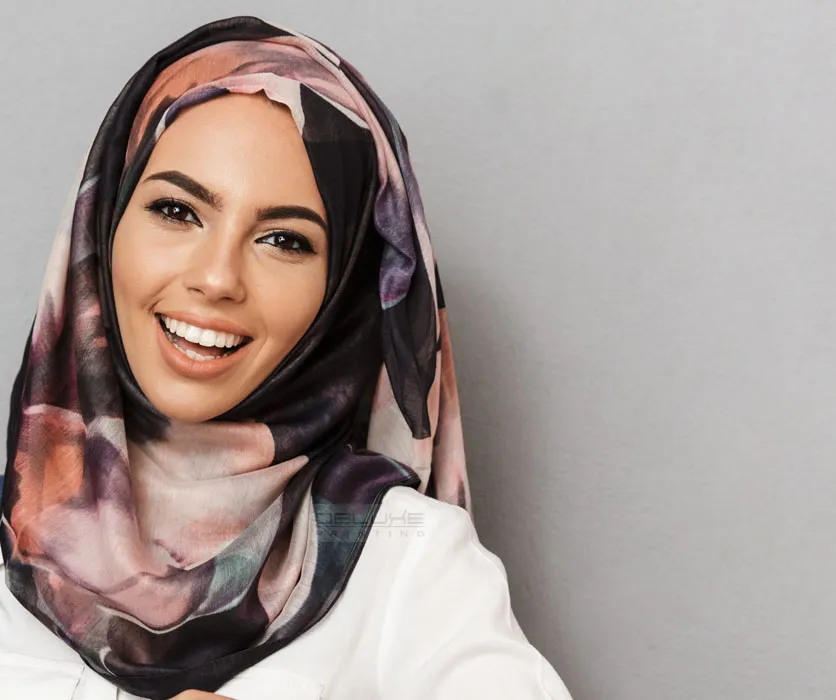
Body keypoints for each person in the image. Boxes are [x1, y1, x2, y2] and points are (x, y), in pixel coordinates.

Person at [0, 15, 574, 700]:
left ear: (345, 291)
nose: (217, 278)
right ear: (103, 226)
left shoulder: (403, 561)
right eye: (177, 211)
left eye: (285, 240)